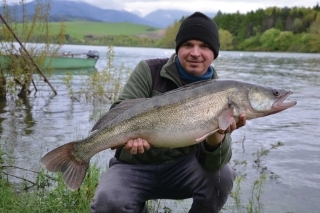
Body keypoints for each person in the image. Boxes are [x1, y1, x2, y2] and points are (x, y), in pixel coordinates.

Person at [90, 11, 246, 213]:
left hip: (182, 170)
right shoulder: (148, 70)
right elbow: (119, 111)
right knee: (108, 202)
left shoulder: (222, 91)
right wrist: (129, 138)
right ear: (178, 48)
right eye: (188, 45)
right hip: (133, 167)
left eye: (204, 46)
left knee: (222, 176)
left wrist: (217, 135)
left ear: (214, 53)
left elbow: (215, 164)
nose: (195, 53)